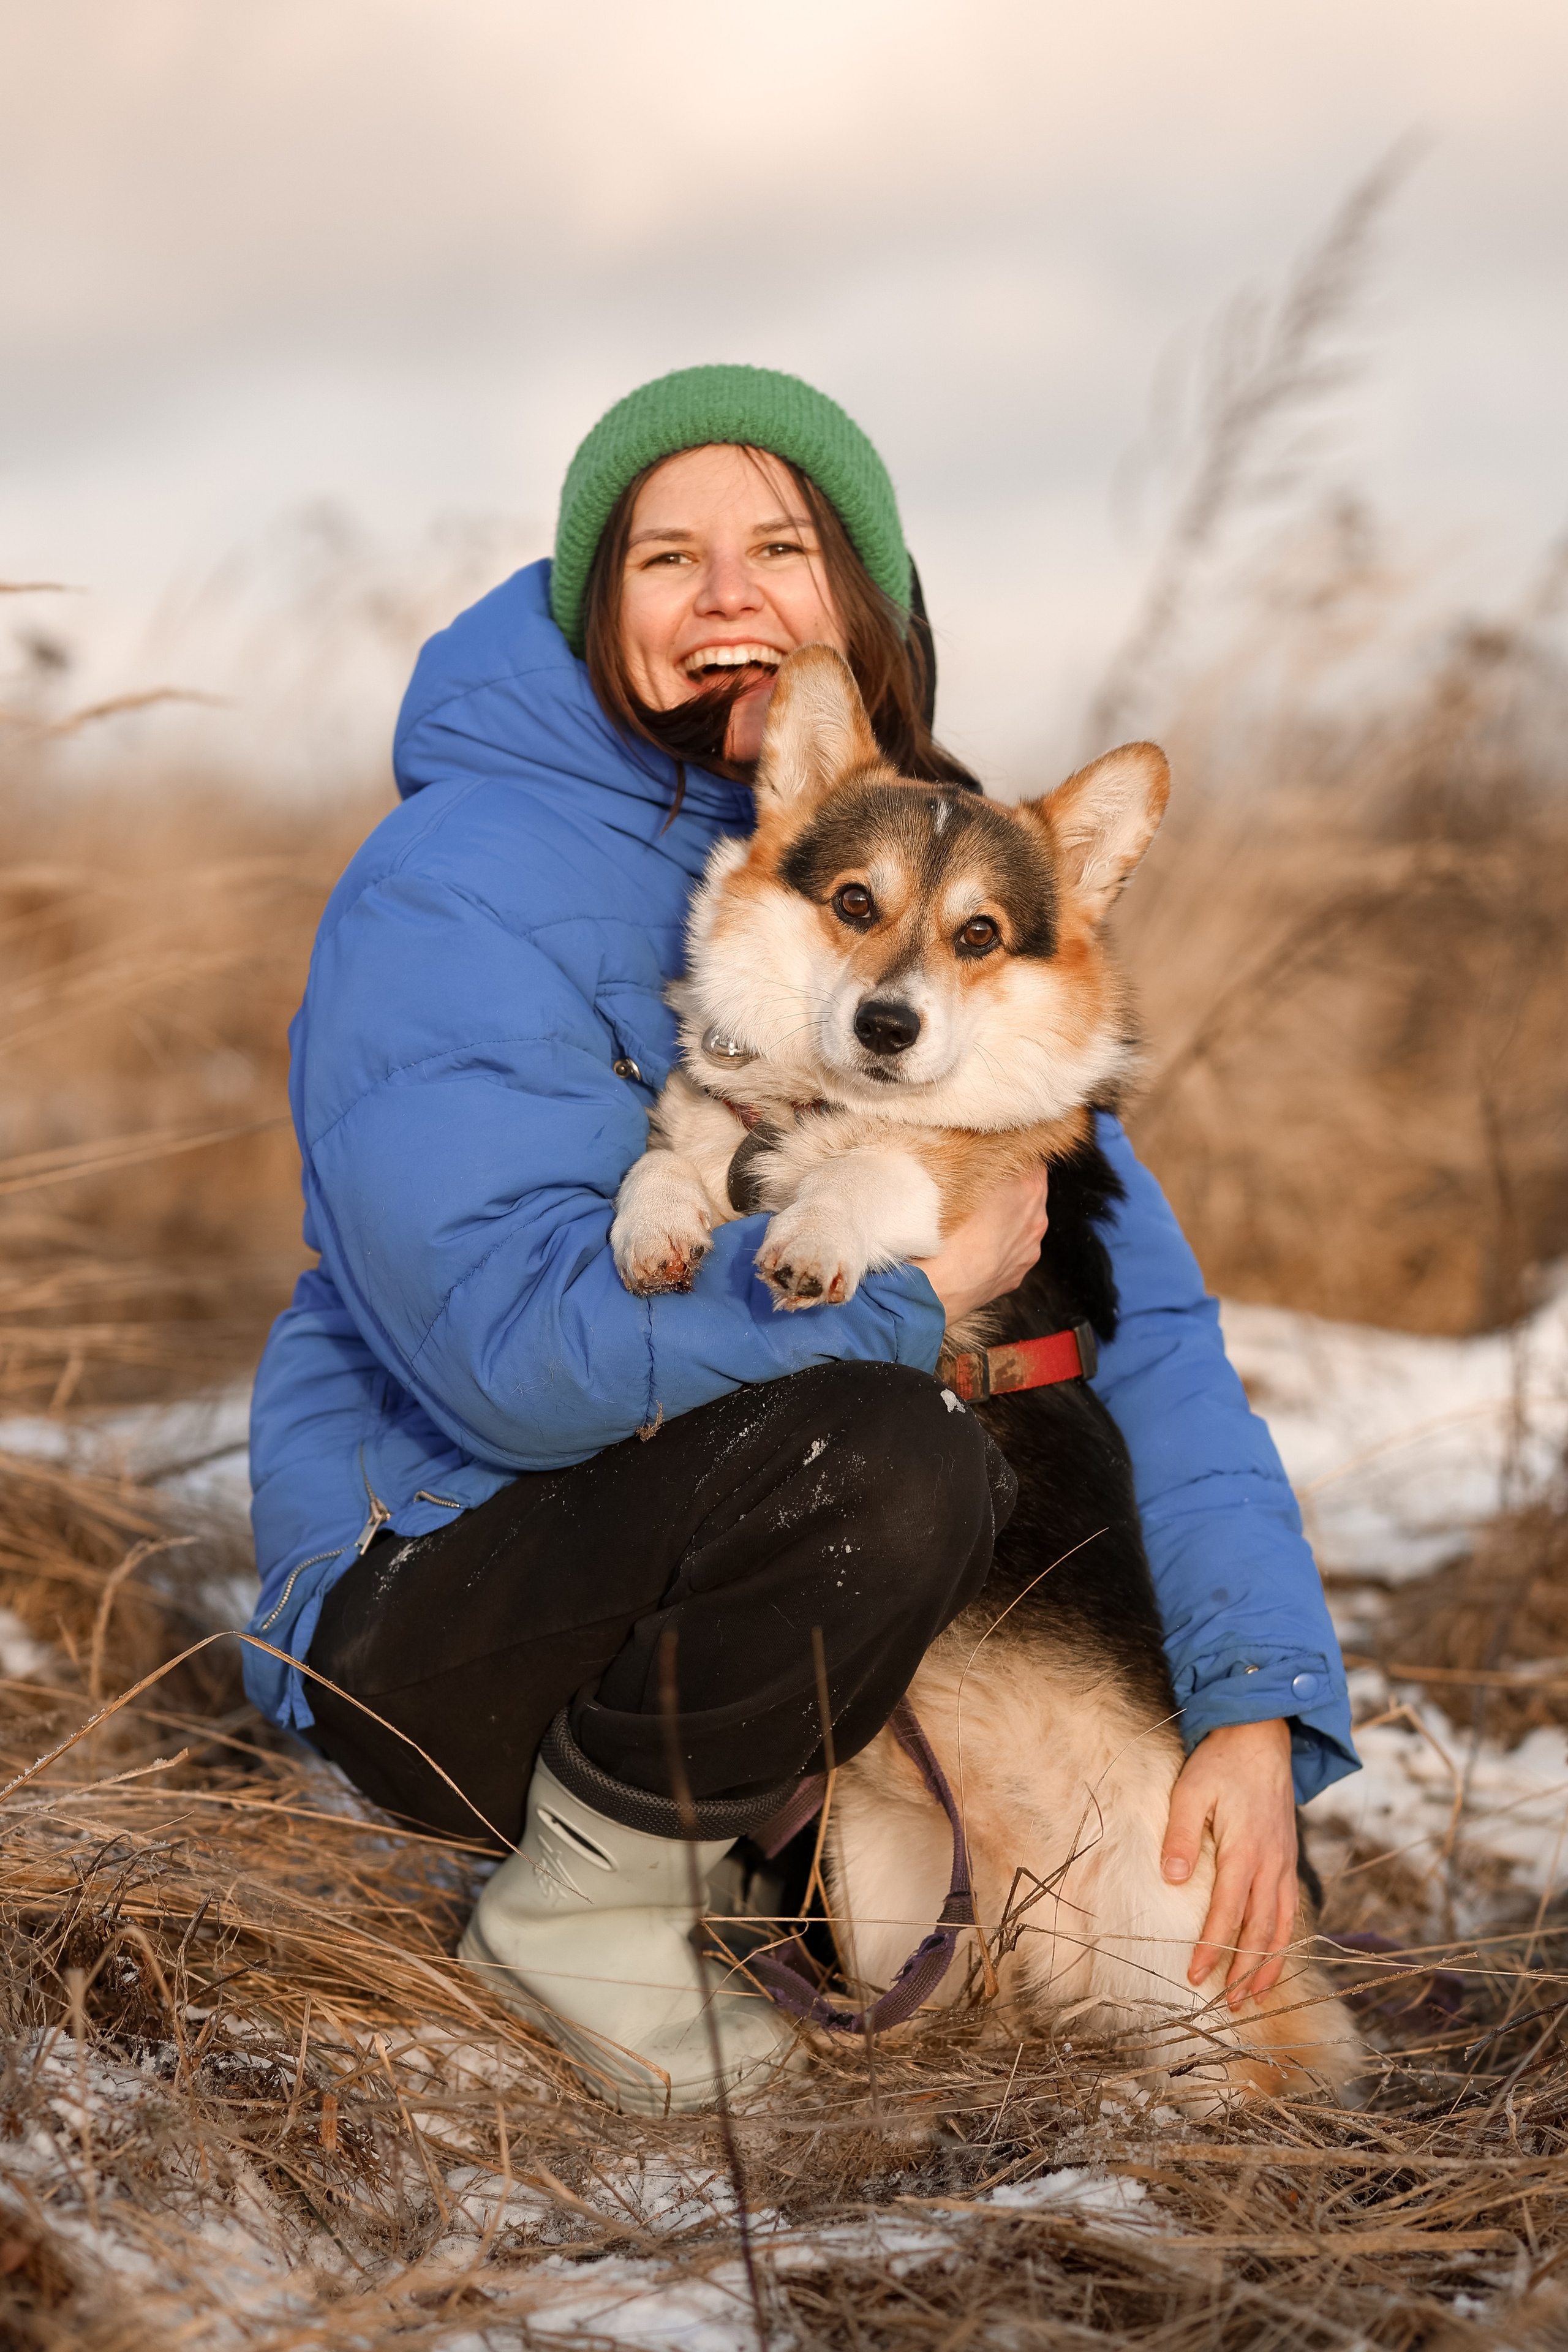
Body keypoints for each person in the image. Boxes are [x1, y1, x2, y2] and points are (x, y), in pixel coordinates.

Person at [246, 364, 1357, 2113]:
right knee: (890, 1450)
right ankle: (593, 1908)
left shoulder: (949, 870)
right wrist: (915, 1314)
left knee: (1192, 1971)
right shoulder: (453, 882)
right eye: (665, 558)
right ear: (593, 605)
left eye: (779, 546)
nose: (729, 597)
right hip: (447, 1609)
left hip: (762, 1585)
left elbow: (1149, 1339)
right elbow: (509, 1361)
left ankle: (792, 1877)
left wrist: (1247, 1703)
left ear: (861, 597)